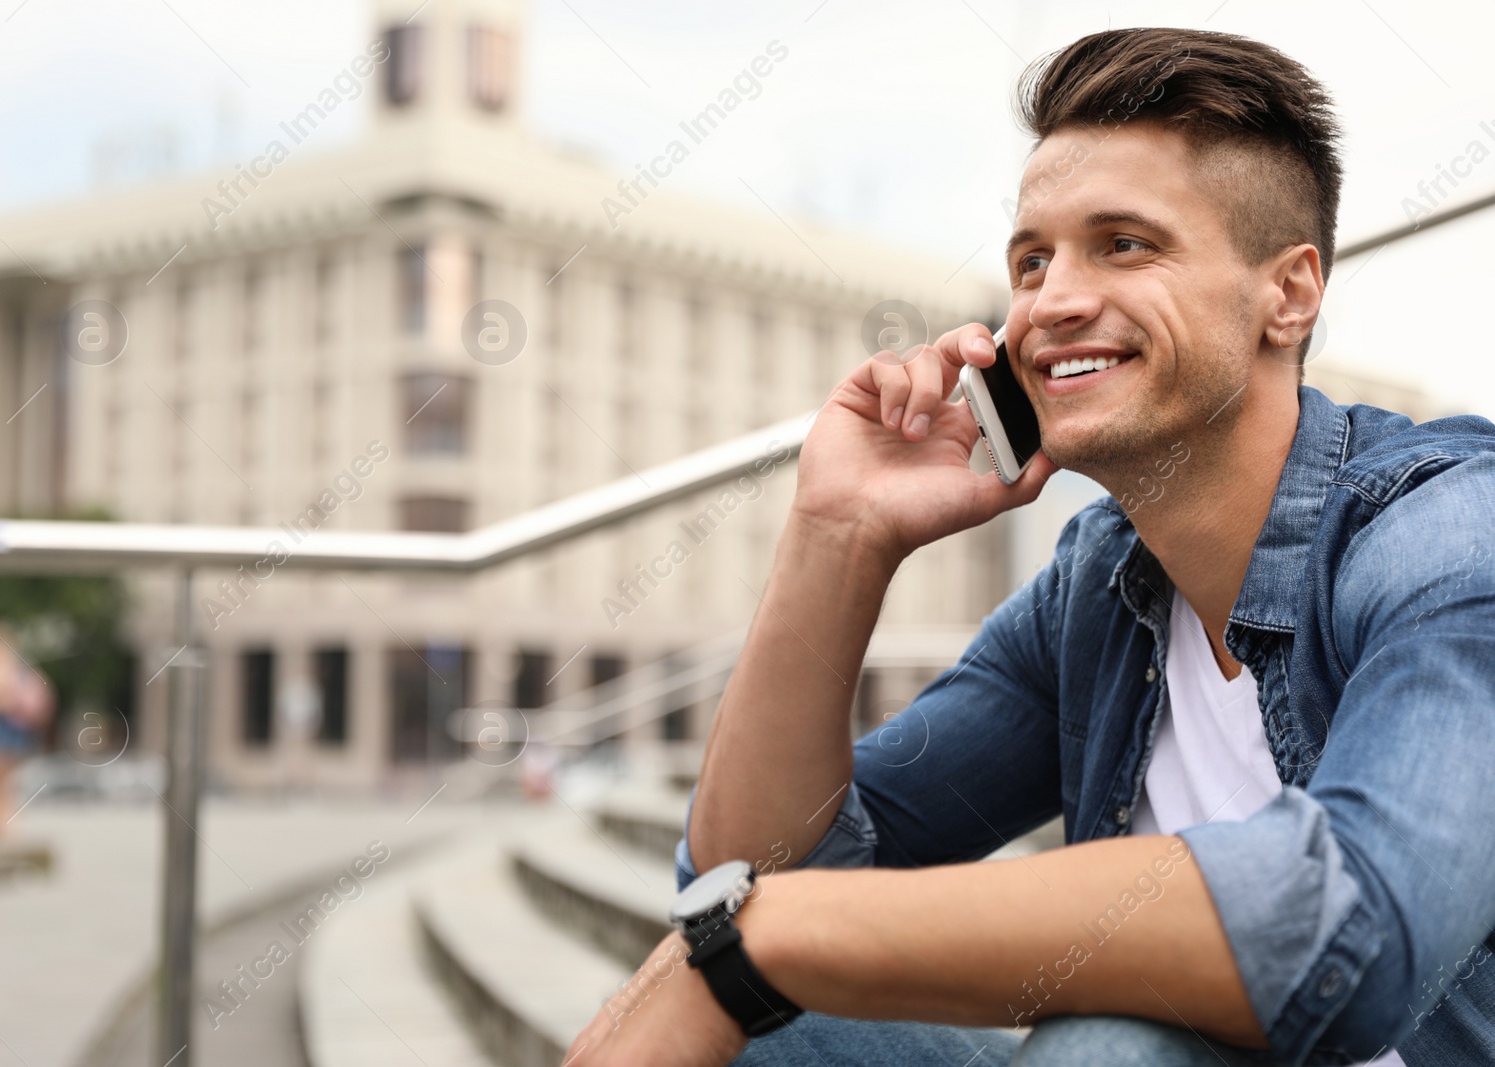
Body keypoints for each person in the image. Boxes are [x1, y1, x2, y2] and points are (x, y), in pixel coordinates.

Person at [564, 27, 1495, 1067]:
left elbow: (1354, 927)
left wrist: (767, 934)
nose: (1051, 300)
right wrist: (839, 535)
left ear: (1289, 292)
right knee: (755, 1010)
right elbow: (752, 866)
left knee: (1107, 1047)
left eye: (1124, 244)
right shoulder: (1098, 585)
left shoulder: (1450, 532)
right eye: (1030, 260)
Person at [0, 626, 52, 842]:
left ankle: (0, 829)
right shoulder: (16, 665)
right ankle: (4, 828)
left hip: (2, 729)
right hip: (20, 730)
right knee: (5, 784)